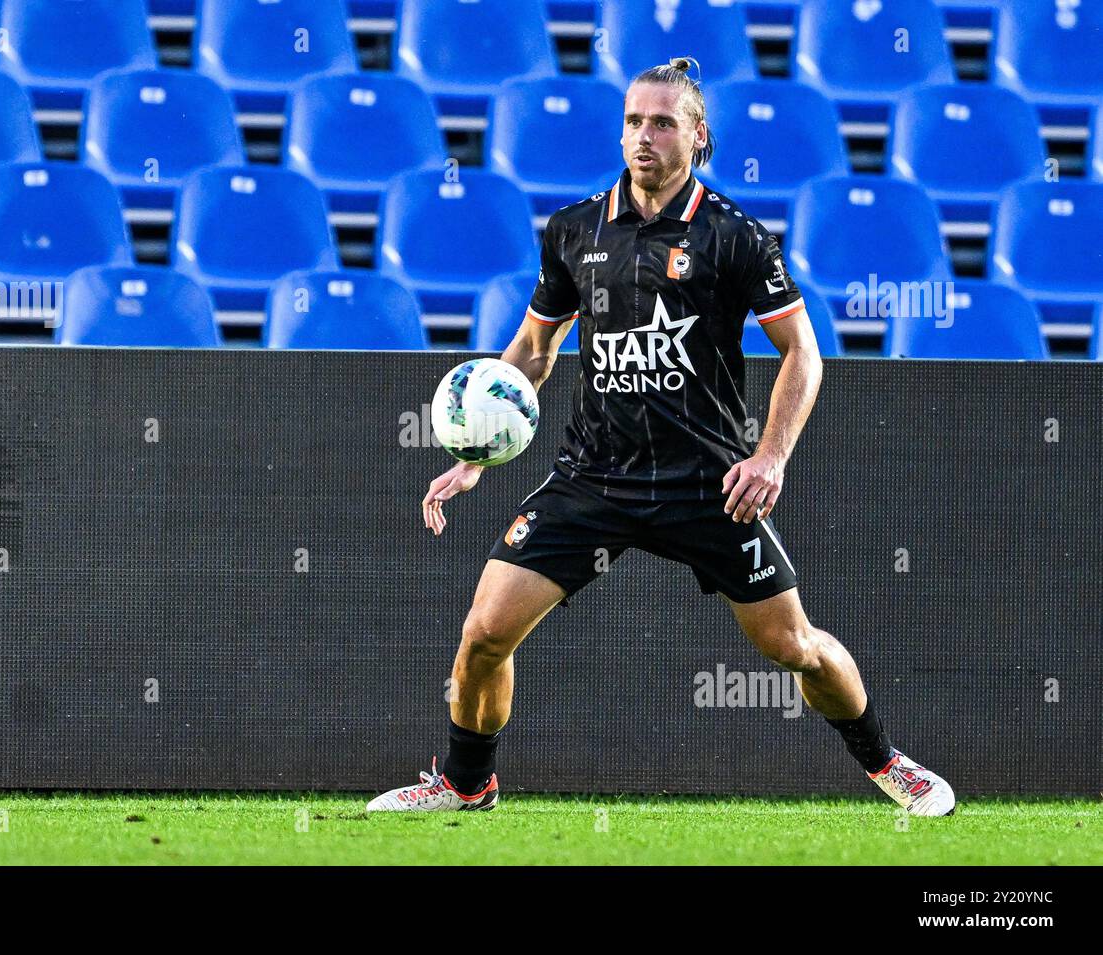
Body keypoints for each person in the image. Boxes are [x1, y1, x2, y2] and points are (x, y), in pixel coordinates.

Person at [367, 58, 955, 816]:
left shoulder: (735, 235)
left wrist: (769, 456)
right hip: (592, 476)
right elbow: (533, 352)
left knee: (794, 647)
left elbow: (803, 354)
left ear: (698, 135)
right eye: (634, 121)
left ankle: (886, 761)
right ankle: (466, 782)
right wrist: (476, 454)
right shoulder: (575, 229)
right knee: (483, 635)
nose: (644, 137)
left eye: (663, 122)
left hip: (706, 482)